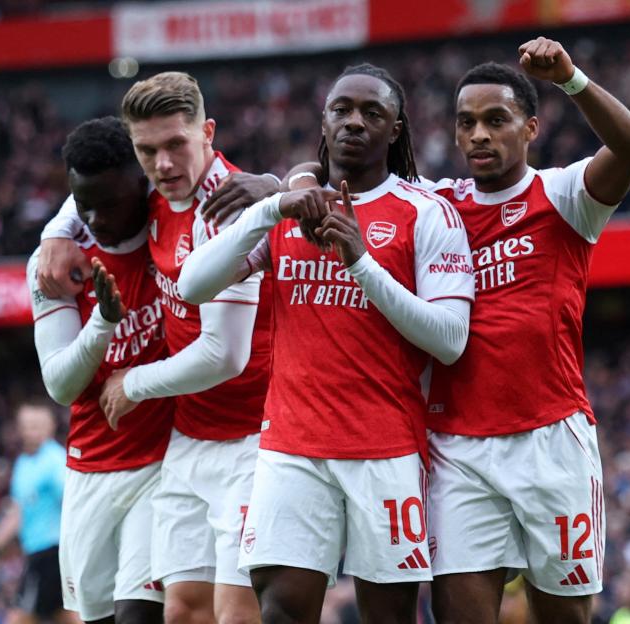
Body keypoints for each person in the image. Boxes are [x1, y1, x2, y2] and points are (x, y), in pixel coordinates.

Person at [177, 63, 475, 624]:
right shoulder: (288, 213)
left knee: (388, 617)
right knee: (282, 611)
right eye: (342, 110)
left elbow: (450, 340)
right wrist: (272, 207)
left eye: (372, 114)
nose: (354, 122)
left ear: (396, 130)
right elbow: (194, 286)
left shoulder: (425, 213)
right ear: (324, 120)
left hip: (385, 451)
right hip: (291, 449)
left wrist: (361, 262)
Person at [423, 38, 630, 624]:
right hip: (457, 448)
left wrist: (571, 78)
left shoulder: (564, 194)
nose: (479, 134)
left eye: (495, 120)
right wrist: (296, 176)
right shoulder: (435, 209)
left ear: (529, 128)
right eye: (467, 122)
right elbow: (358, 189)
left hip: (551, 443)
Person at [38, 72, 276, 624]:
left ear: (208, 133)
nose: (164, 164)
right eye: (148, 151)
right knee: (182, 613)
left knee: (238, 612)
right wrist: (56, 229)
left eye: (176, 145)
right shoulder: (158, 193)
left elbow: (224, 355)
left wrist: (134, 383)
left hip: (252, 439)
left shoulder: (227, 210)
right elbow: (96, 192)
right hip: (188, 440)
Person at [27, 116, 175, 624]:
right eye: (82, 204)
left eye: (107, 204)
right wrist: (103, 324)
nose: (94, 217)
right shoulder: (54, 262)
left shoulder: (172, 227)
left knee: (140, 615)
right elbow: (61, 384)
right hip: (92, 467)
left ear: (142, 183)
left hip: (165, 462)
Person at [0, 401, 80, 624]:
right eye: (27, 425)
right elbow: (17, 513)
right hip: (37, 552)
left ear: (49, 427)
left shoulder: (55, 461)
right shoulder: (23, 463)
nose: (31, 431)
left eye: (37, 425)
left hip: (51, 551)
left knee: (19, 617)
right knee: (65, 615)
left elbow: (73, 503)